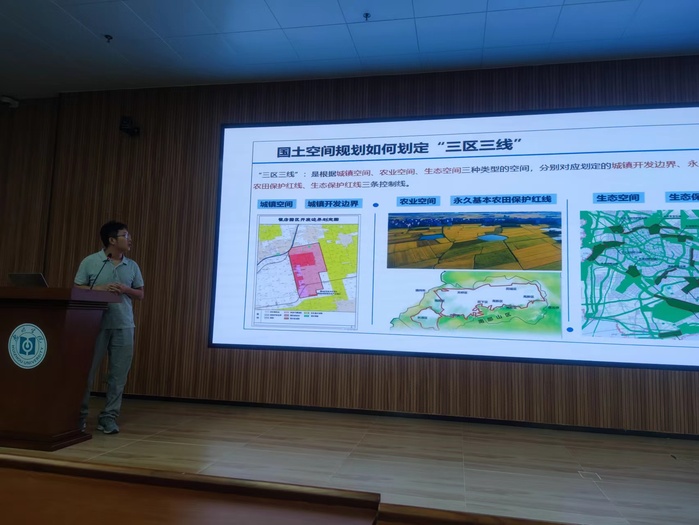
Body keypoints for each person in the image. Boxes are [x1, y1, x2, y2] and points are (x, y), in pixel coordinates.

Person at [74, 221, 144, 434]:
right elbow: (77, 288)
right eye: (125, 235)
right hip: (94, 324)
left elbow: (140, 294)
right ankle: (79, 417)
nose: (130, 239)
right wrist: (100, 288)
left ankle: (109, 418)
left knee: (118, 376)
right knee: (86, 373)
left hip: (124, 325)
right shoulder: (91, 261)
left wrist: (125, 289)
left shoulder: (132, 265)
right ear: (112, 240)